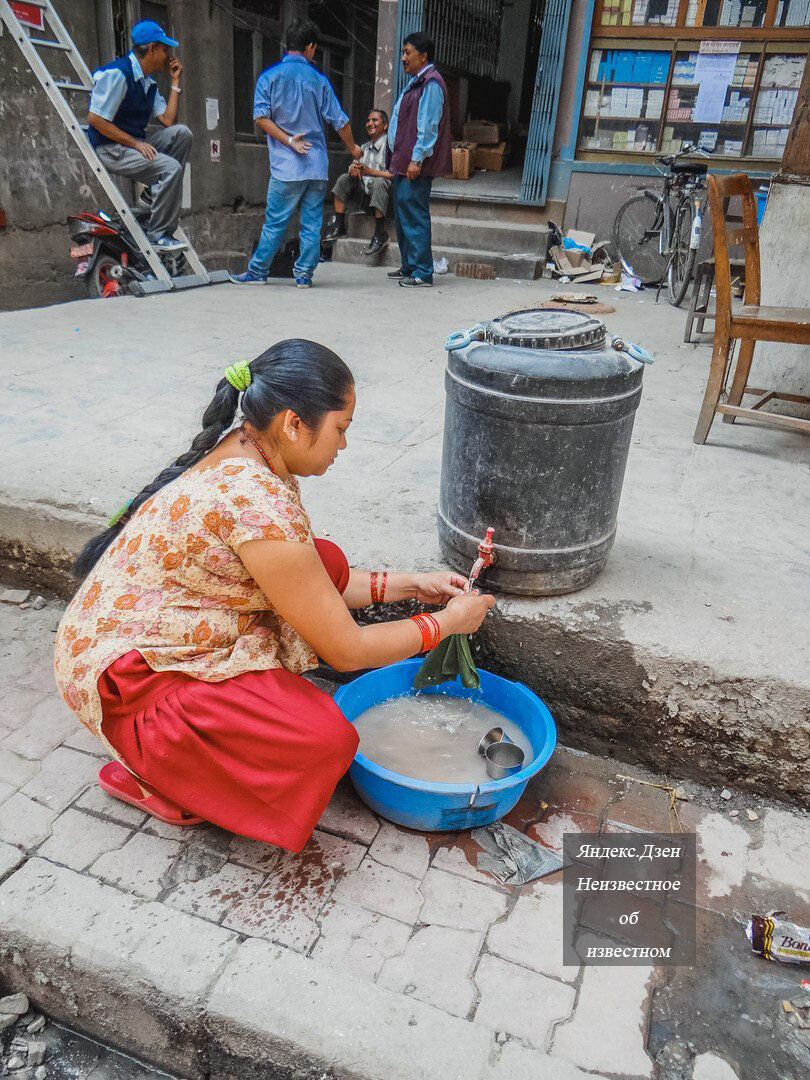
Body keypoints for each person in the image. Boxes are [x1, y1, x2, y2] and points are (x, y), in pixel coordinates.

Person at [54, 340, 494, 854]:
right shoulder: (258, 505)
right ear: (292, 424)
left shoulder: (248, 448)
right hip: (130, 682)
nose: (343, 445)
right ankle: (156, 775)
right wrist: (447, 624)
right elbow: (346, 651)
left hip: (150, 631)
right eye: (341, 429)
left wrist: (412, 585)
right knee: (322, 740)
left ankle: (185, 748)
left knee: (321, 557)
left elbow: (311, 578)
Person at [230, 18, 362, 289]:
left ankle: (257, 272)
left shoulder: (269, 77)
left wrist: (289, 140)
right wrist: (353, 149)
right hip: (315, 165)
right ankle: (304, 275)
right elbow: (340, 121)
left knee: (276, 222)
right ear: (310, 47)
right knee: (312, 222)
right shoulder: (319, 81)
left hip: (286, 167)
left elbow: (261, 118)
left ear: (287, 44)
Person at [87, 20, 191, 254]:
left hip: (134, 147)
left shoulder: (148, 83)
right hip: (112, 149)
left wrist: (175, 82)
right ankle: (159, 234)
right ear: (152, 48)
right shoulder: (118, 74)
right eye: (165, 50)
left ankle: (150, 195)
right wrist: (135, 143)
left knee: (182, 134)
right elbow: (95, 120)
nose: (168, 56)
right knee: (171, 169)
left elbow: (167, 120)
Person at [386, 32, 452, 288]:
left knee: (415, 216)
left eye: (407, 53)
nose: (403, 58)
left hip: (414, 164)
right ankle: (410, 265)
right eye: (403, 52)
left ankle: (423, 271)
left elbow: (428, 127)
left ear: (423, 56)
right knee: (403, 217)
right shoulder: (415, 82)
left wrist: (417, 159)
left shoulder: (431, 84)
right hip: (402, 160)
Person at [323, 108, 391, 257]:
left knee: (380, 181)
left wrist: (370, 172)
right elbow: (356, 169)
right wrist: (353, 170)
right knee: (344, 179)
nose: (370, 123)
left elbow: (395, 175)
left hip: (387, 201)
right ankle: (339, 225)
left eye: (375, 120)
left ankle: (380, 233)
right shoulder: (364, 148)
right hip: (367, 198)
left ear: (385, 125)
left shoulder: (391, 146)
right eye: (368, 121)